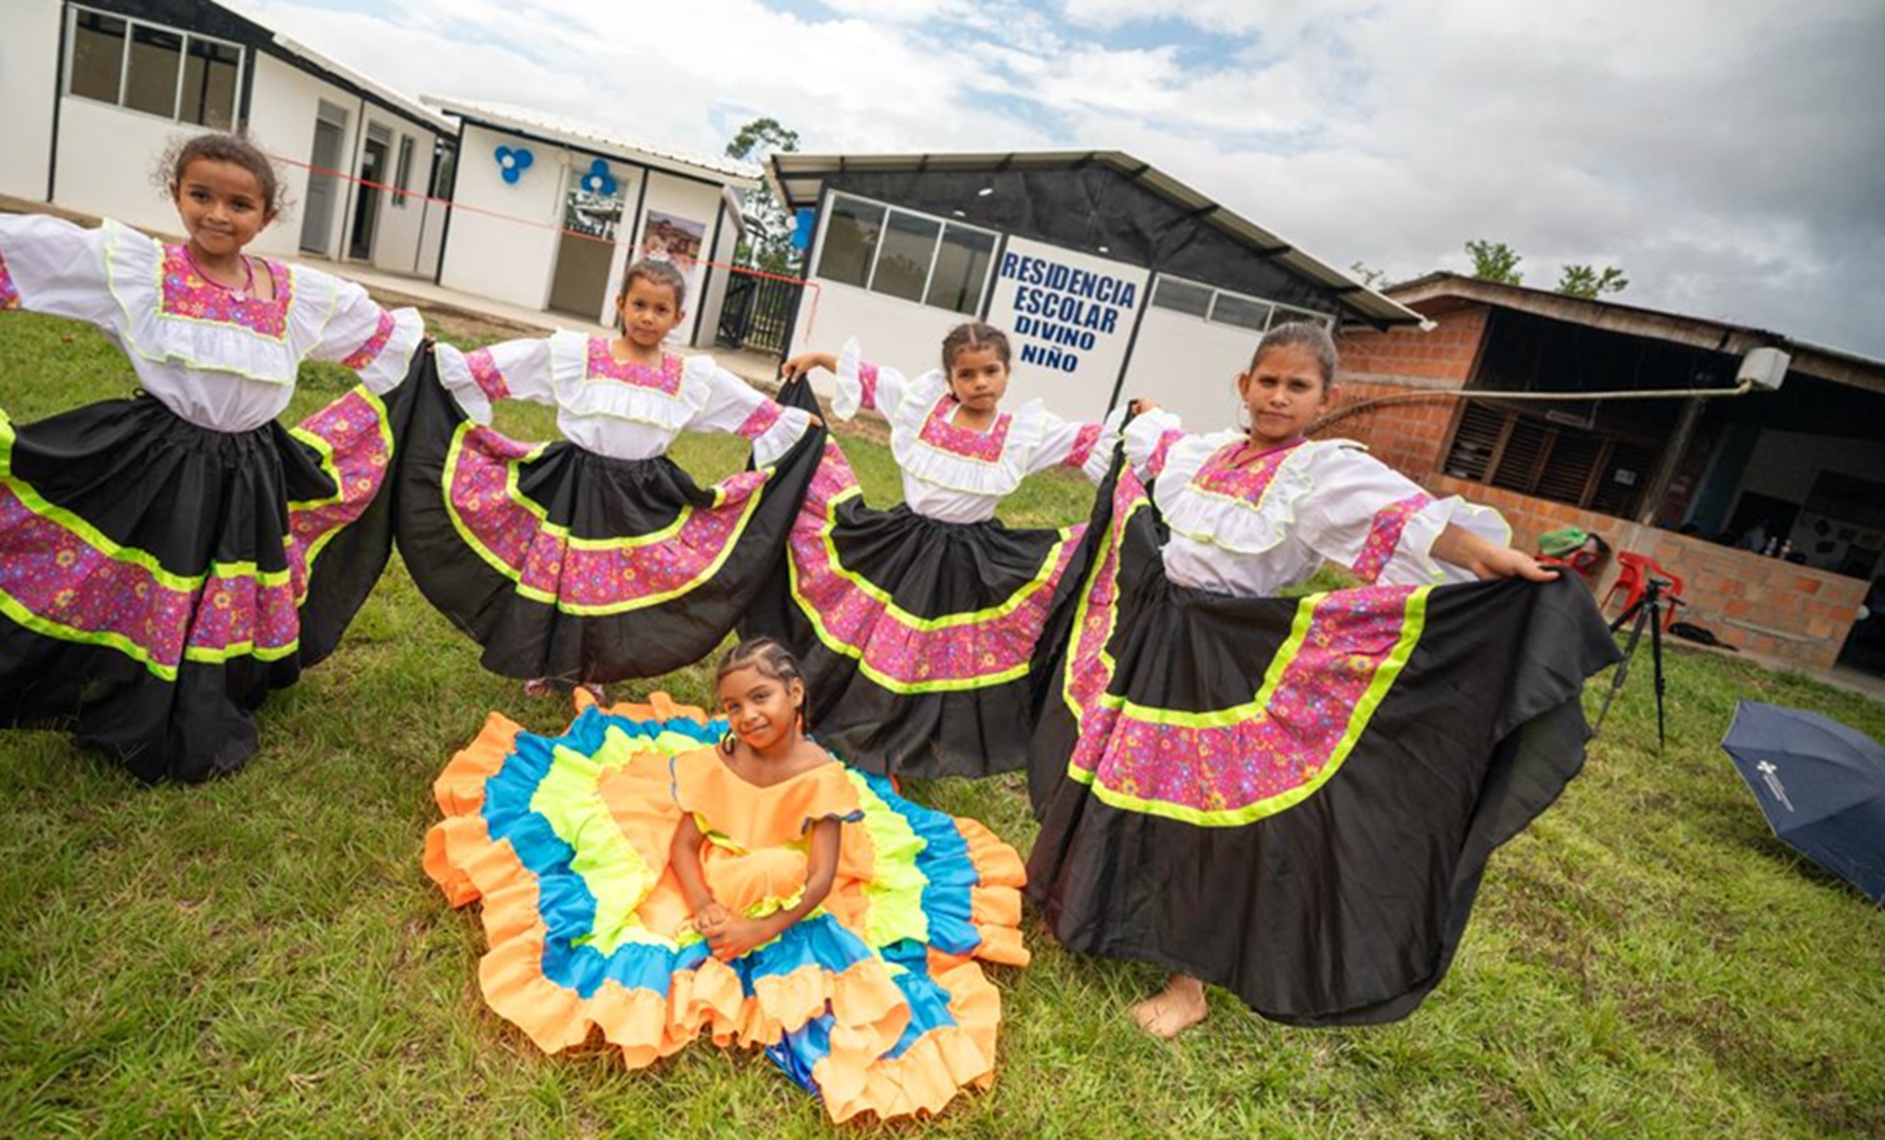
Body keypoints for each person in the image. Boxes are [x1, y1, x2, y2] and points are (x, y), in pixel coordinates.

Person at [0, 132, 425, 782]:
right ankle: (136, 694)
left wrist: (436, 364)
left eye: (238, 204)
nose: (217, 215)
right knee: (156, 578)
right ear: (176, 193)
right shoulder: (137, 270)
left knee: (222, 582)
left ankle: (210, 686)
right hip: (161, 462)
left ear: (266, 215)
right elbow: (40, 249)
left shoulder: (299, 295)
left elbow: (379, 334)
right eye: (200, 195)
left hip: (252, 466)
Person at [1026, 322, 1620, 1038]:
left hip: (1238, 662)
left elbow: (1410, 525)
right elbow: (1157, 437)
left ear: (1325, 399)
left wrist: (1494, 563)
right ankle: (1092, 906)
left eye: (1297, 387)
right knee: (1128, 778)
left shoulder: (1324, 473)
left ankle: (1189, 984)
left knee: (1222, 815)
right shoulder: (1204, 454)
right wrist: (1148, 413)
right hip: (1159, 640)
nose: (1278, 397)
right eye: (1267, 382)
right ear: (1243, 387)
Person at [421, 637, 1029, 1122]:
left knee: (809, 909)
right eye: (734, 706)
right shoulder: (723, 760)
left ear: (795, 693)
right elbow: (684, 842)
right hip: (720, 871)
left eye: (760, 698)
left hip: (783, 883)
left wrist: (760, 928)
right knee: (632, 903)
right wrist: (706, 906)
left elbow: (819, 881)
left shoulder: (821, 780)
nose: (745, 716)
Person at [396, 262, 821, 700]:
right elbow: (513, 364)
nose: (647, 317)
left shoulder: (688, 379)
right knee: (560, 578)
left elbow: (744, 406)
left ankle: (593, 669)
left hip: (639, 497)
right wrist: (448, 364)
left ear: (678, 318)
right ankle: (545, 665)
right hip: (572, 486)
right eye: (638, 304)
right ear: (620, 304)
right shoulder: (577, 357)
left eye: (660, 309)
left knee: (609, 586)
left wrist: (792, 421)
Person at [744, 324, 1116, 780]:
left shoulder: (1023, 434)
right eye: (967, 374)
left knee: (931, 653)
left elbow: (1092, 442)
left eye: (991, 371)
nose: (980, 383)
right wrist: (819, 360)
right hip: (904, 545)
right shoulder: (921, 408)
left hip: (967, 561)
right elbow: (873, 382)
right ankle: (854, 714)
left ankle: (910, 734)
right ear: (950, 378)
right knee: (874, 634)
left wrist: (1142, 429)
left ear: (1007, 373)